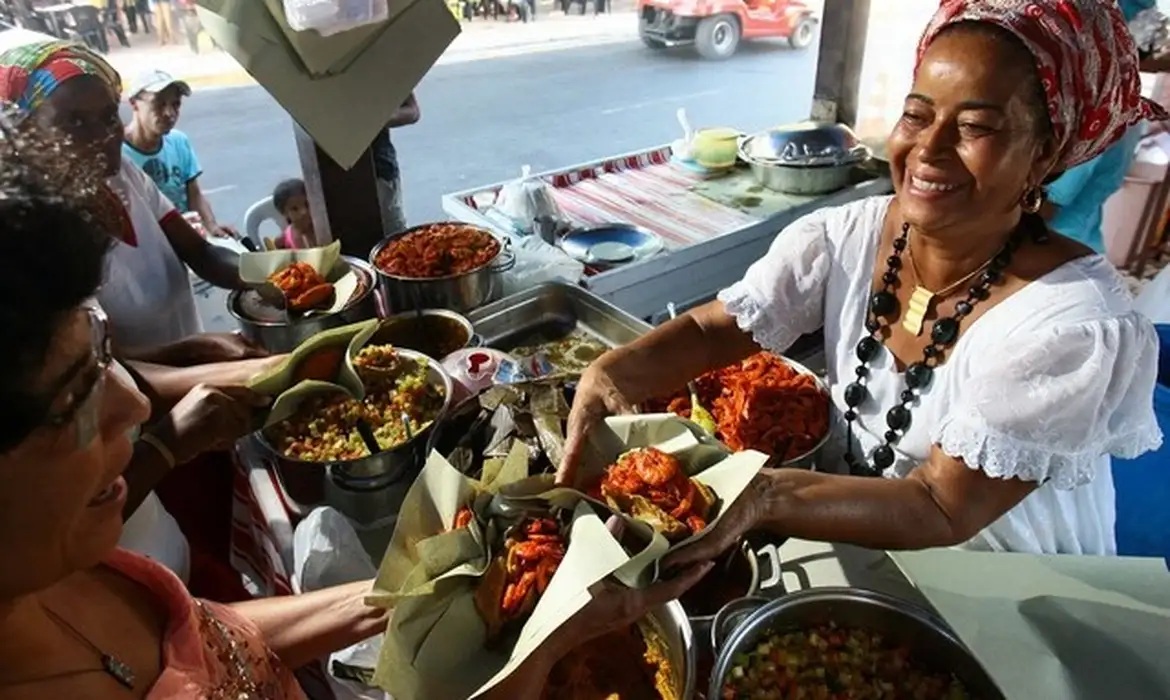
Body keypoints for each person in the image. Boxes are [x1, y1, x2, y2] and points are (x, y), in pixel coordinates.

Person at [560, 0, 1165, 558]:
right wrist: (616, 369)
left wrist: (763, 496)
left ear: (1044, 154)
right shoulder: (842, 237)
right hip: (858, 527)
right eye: (916, 114)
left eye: (976, 127)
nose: (929, 147)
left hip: (1002, 574)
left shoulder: (1071, 327)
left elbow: (940, 506)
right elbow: (715, 330)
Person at [0, 41, 255, 362]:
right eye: (76, 122)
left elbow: (200, 252)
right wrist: (197, 353)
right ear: (26, 133)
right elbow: (102, 368)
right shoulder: (31, 234)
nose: (104, 136)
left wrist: (269, 277)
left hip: (201, 371)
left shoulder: (124, 175)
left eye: (109, 117)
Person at [1039, 0, 1168, 254]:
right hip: (1078, 243)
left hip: (1053, 251)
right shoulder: (1122, 104)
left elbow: (1044, 207)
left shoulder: (1098, 111)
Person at [123, 69, 237, 240]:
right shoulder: (118, 154)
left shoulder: (178, 142)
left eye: (175, 104)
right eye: (159, 103)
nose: (169, 113)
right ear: (134, 104)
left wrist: (211, 226)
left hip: (188, 236)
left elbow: (194, 194)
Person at [373, 92, 420, 241]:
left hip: (379, 169)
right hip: (331, 176)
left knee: (395, 239)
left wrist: (374, 119)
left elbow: (412, 111)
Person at [272, 178, 316, 250]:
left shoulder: (323, 228)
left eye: (307, 204)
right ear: (284, 213)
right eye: (295, 209)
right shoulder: (282, 240)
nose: (304, 212)